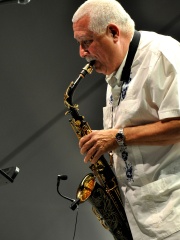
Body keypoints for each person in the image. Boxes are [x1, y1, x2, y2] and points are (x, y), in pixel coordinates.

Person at [72, 0, 180, 239]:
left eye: (86, 42)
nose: (81, 52)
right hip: (143, 219)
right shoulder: (116, 73)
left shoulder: (162, 55)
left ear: (113, 32)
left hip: (173, 217)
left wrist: (118, 137)